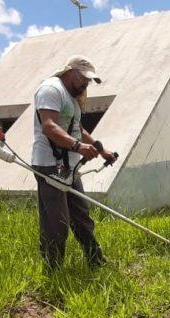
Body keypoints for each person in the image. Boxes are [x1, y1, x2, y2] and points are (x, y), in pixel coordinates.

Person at [32, 55, 117, 269]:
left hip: (69, 165)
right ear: (70, 71)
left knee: (82, 216)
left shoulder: (72, 97)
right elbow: (49, 126)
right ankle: (53, 270)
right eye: (84, 79)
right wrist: (78, 147)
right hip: (49, 165)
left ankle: (95, 260)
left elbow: (78, 129)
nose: (86, 84)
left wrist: (101, 149)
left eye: (89, 81)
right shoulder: (51, 89)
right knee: (56, 223)